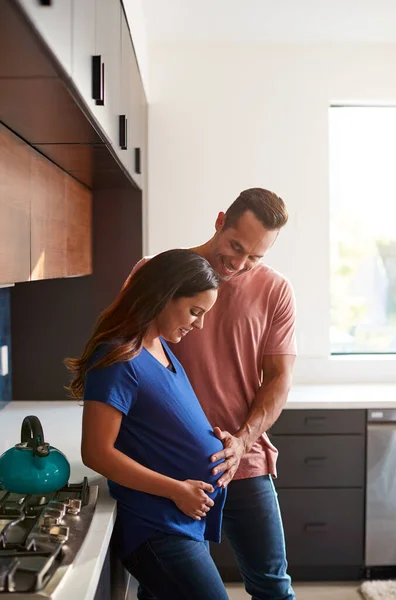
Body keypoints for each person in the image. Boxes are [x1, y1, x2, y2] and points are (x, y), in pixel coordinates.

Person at [133, 188, 297, 600]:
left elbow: (279, 378)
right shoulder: (156, 271)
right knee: (164, 593)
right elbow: (125, 357)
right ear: (220, 219)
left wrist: (243, 440)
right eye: (235, 247)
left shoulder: (275, 290)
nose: (238, 265)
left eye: (254, 258)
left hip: (240, 460)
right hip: (167, 468)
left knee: (273, 587)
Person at [64, 249, 231, 600]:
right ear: (164, 295)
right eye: (194, 311)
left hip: (183, 520)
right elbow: (96, 452)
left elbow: (161, 420)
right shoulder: (118, 356)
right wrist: (176, 489)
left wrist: (216, 439)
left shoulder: (158, 346)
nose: (198, 324)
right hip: (157, 526)